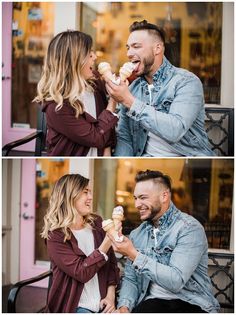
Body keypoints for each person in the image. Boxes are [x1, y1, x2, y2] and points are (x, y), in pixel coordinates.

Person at [108, 170, 220, 313]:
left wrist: (133, 254)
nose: (137, 204)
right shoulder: (137, 234)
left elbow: (176, 281)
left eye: (143, 197)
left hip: (190, 302)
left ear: (164, 196)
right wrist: (124, 307)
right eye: (135, 198)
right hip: (151, 303)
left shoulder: (189, 228)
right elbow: (132, 280)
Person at [105, 20, 215, 157]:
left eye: (136, 46)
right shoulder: (132, 88)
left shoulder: (186, 81)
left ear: (157, 49)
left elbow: (175, 130)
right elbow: (125, 139)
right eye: (128, 47)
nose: (129, 53)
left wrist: (129, 101)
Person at [41, 174, 119, 313]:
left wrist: (110, 296)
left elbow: (112, 264)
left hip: (104, 302)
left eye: (89, 192)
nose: (90, 197)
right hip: (75, 305)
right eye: (85, 192)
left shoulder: (97, 223)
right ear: (69, 196)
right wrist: (108, 241)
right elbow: (82, 272)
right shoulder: (55, 235)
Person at [34, 30, 118, 156]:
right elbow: (97, 137)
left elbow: (107, 127)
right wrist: (113, 101)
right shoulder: (57, 106)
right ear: (73, 61)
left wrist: (107, 149)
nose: (95, 57)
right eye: (89, 54)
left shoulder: (93, 81)